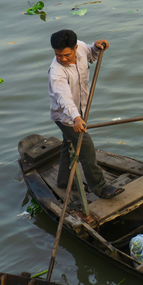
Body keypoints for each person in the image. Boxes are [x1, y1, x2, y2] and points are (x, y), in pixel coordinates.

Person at [48, 29, 124, 199]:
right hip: (66, 117)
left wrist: (97, 47)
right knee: (86, 147)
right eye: (58, 55)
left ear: (75, 48)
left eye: (66, 54)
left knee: (70, 144)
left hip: (81, 111)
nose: (63, 59)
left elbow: (91, 55)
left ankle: (63, 180)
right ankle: (100, 187)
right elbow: (64, 98)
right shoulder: (57, 72)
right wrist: (76, 118)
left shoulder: (81, 47)